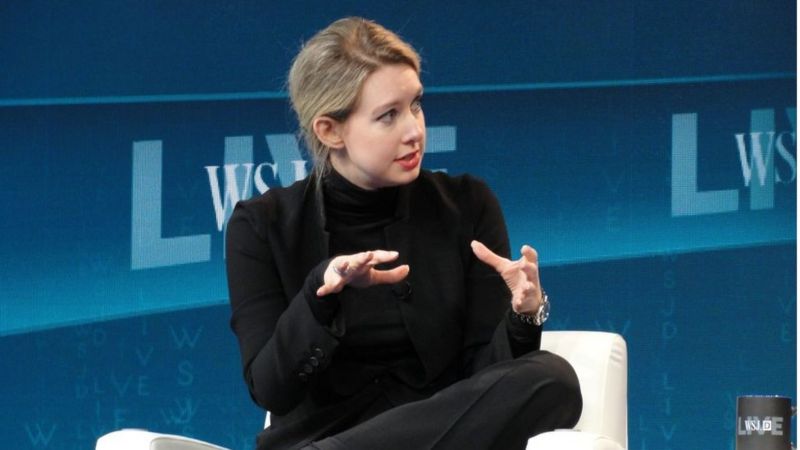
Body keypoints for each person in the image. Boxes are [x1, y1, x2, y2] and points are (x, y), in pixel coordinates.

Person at [225, 17, 582, 450]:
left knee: (553, 379)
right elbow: (270, 389)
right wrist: (318, 296)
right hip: (319, 432)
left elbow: (487, 383)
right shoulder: (261, 226)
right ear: (330, 130)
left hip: (442, 437)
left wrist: (523, 317)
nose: (414, 131)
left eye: (415, 105)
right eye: (388, 116)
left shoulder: (467, 204)